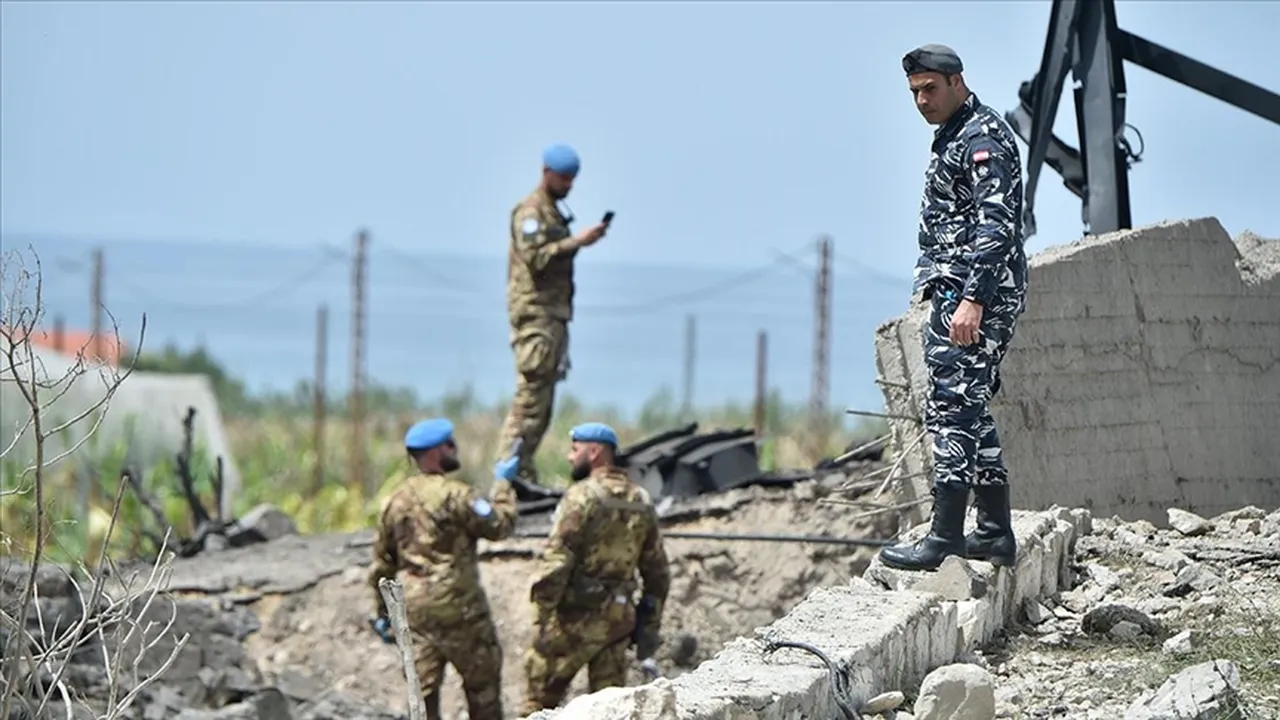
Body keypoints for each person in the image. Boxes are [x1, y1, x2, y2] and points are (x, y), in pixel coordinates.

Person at [879, 44, 1028, 572]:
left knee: (952, 409)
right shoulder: (955, 136)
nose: (922, 101)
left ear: (957, 82)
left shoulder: (982, 137)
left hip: (975, 293)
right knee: (969, 405)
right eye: (915, 92)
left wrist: (972, 300)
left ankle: (943, 538)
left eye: (931, 89)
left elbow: (997, 225)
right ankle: (992, 531)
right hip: (958, 289)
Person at [367, 418, 520, 720]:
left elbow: (382, 564)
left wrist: (383, 614)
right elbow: (499, 525)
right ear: (437, 451)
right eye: (450, 444)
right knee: (483, 689)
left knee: (422, 697)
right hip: (460, 607)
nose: (455, 449)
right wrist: (503, 485)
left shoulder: (393, 502)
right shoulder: (456, 495)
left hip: (417, 611)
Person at [521, 422, 671, 715]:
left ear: (594, 452)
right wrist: (648, 625)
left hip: (572, 622)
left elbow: (557, 562)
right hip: (618, 622)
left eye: (574, 450)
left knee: (536, 706)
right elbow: (658, 572)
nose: (568, 457)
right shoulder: (640, 500)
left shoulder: (581, 496)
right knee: (610, 709)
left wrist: (540, 617)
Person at [496, 143, 610, 490]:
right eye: (563, 179)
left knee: (543, 403)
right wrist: (577, 242)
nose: (568, 186)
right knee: (529, 400)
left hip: (553, 315)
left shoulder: (552, 212)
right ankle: (506, 479)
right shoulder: (531, 213)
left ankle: (523, 473)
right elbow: (536, 258)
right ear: (546, 173)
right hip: (535, 315)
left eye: (571, 180)